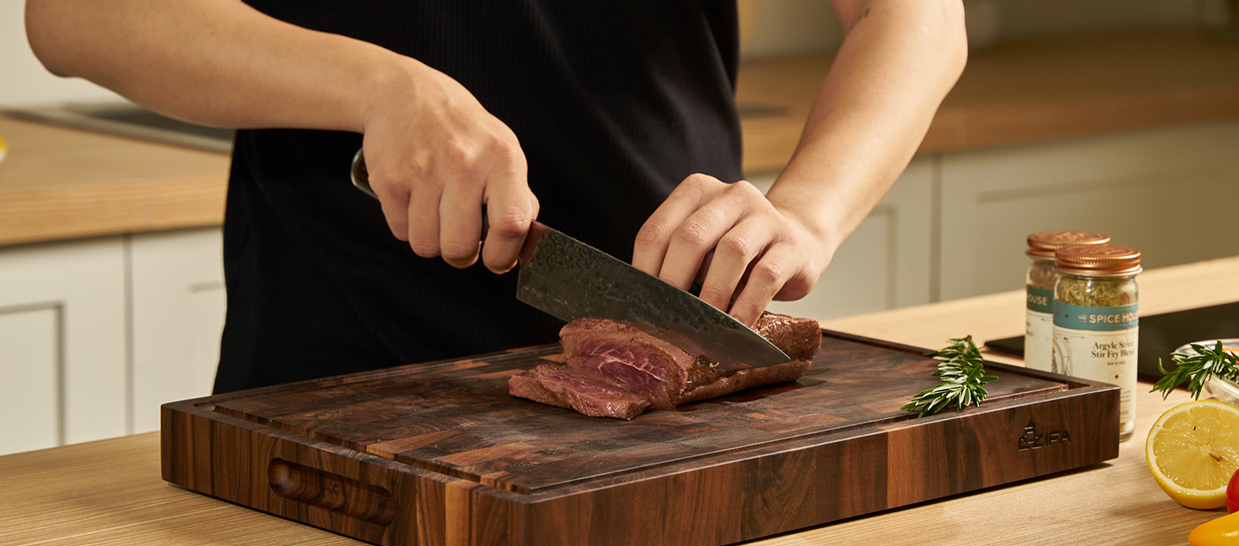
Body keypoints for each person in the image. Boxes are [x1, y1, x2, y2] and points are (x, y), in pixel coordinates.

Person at [25, 0, 967, 393]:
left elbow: (915, 14)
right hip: (337, 372)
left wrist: (806, 211)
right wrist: (379, 88)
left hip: (679, 350)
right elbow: (75, 13)